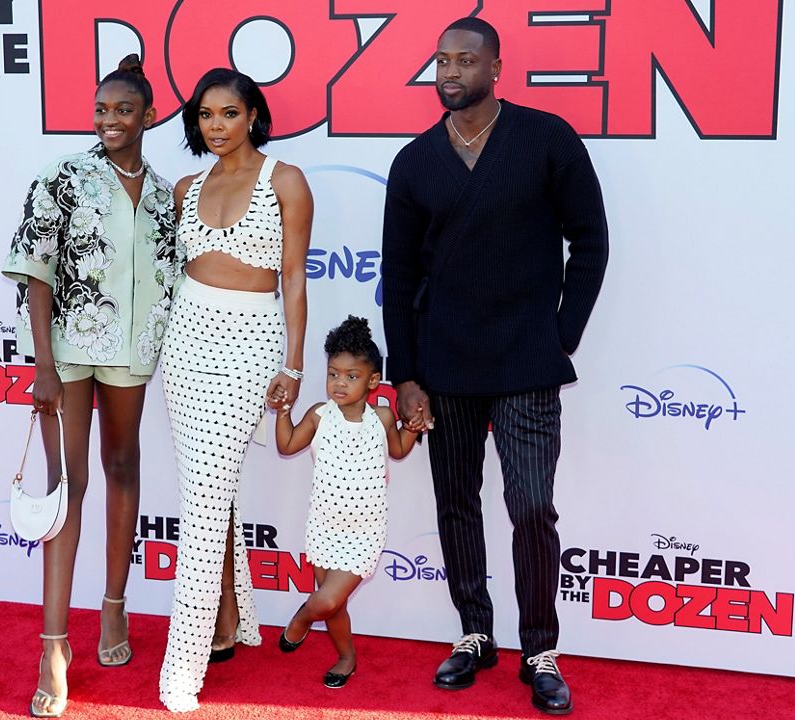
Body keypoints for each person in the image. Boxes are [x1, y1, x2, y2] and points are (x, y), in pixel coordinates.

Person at [380, 17, 609, 716]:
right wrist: (405, 374)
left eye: (465, 59)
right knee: (456, 504)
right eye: (441, 59)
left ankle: (540, 649)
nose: (450, 71)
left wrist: (560, 334)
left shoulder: (547, 139)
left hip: (526, 362)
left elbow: (591, 240)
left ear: (496, 67)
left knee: (531, 506)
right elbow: (397, 271)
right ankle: (474, 632)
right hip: (443, 364)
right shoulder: (415, 162)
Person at [1, 55, 180, 718]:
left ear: (148, 117)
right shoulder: (64, 177)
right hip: (68, 354)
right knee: (66, 485)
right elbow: (35, 270)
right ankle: (53, 645)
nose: (109, 120)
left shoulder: (163, 194)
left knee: (124, 466)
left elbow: (169, 277)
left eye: (122, 110)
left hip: (133, 353)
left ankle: (114, 608)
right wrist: (43, 364)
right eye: (101, 110)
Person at [157, 68, 313, 712]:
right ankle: (228, 619)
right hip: (185, 342)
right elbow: (172, 278)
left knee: (204, 500)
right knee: (206, 492)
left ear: (253, 114)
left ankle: (181, 668)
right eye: (204, 116)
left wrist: (295, 367)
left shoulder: (286, 181)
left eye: (228, 113)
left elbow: (295, 280)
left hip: (249, 344)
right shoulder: (186, 187)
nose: (215, 126)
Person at [273, 316, 421, 688]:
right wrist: (283, 412)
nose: (340, 383)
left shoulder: (383, 418)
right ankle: (346, 657)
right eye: (333, 374)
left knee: (325, 601)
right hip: (324, 525)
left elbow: (399, 450)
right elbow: (287, 445)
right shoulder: (319, 416)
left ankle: (302, 618)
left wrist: (411, 428)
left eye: (351, 376)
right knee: (334, 604)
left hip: (366, 531)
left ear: (373, 381)